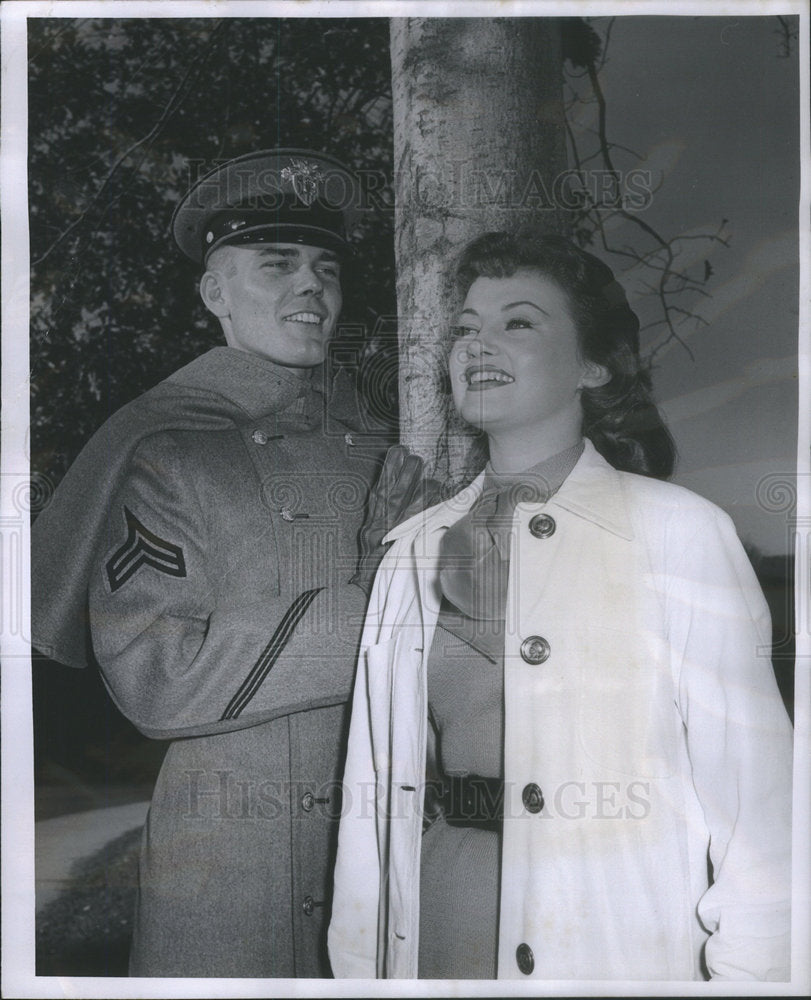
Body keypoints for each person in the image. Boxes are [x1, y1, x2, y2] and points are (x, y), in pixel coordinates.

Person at [327, 231, 794, 981]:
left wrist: (750, 980)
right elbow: (370, 800)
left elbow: (760, 811)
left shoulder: (677, 533)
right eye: (466, 327)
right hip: (438, 927)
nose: (478, 344)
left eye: (518, 321)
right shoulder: (410, 549)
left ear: (593, 364)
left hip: (608, 942)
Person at [31, 148, 420, 977]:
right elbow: (159, 680)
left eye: (325, 268)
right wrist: (376, 599)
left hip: (387, 848)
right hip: (229, 867)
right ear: (216, 296)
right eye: (276, 264)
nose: (311, 287)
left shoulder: (399, 445)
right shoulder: (170, 450)